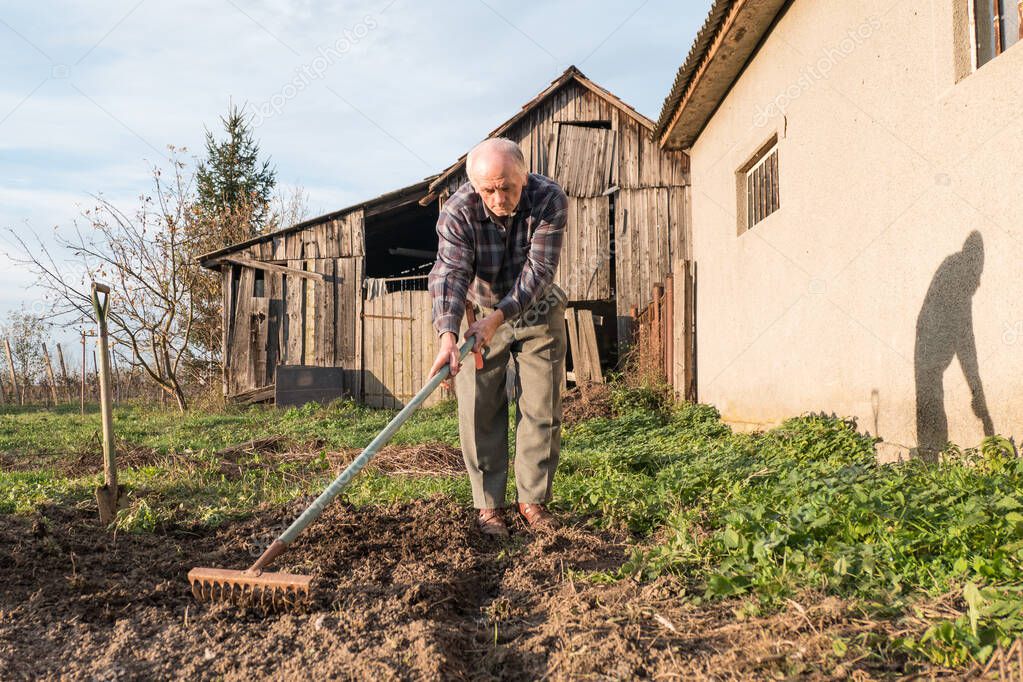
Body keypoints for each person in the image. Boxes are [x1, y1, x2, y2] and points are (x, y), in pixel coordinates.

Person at [427, 137, 568, 536]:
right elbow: (449, 273)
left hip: (536, 308)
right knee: (479, 408)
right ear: (475, 186)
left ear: (525, 175)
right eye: (488, 189)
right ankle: (489, 507)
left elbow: (539, 272)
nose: (498, 197)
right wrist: (448, 334)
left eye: (507, 186)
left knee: (541, 405)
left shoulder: (549, 199)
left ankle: (532, 501)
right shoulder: (458, 211)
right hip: (479, 313)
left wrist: (501, 318)